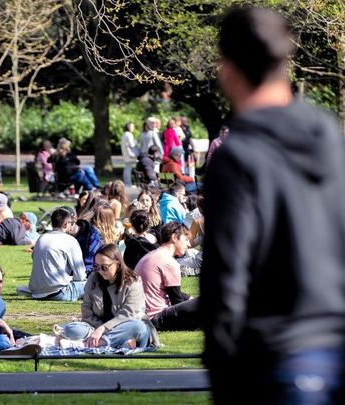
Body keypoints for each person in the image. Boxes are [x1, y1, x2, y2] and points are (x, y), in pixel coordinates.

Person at [201, 7, 345, 404]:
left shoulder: (238, 157)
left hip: (275, 358)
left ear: (228, 69)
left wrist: (224, 371)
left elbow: (225, 280)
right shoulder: (331, 140)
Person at [58, 244, 159, 350]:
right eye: (96, 266)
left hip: (127, 327)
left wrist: (103, 329)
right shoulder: (93, 279)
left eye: (104, 267)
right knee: (72, 329)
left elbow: (128, 315)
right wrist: (99, 328)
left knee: (138, 326)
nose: (100, 271)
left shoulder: (133, 281)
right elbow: (86, 311)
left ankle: (91, 344)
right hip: (97, 327)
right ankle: (119, 342)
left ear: (118, 264)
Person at [135, 222, 199, 331]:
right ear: (174, 237)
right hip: (156, 319)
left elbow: (168, 290)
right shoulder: (168, 262)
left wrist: (189, 298)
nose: (188, 245)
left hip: (142, 317)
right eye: (186, 239)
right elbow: (177, 301)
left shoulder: (152, 255)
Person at [29, 208, 87, 301]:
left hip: (37, 293)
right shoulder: (70, 240)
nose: (72, 226)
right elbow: (80, 275)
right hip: (59, 292)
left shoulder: (41, 238)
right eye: (71, 223)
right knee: (92, 284)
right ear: (65, 224)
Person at [121, 122, 138, 187]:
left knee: (127, 168)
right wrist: (136, 141)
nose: (133, 128)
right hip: (129, 154)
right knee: (128, 168)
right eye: (132, 126)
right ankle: (128, 183)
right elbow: (132, 144)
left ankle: (127, 182)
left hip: (126, 153)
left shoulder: (124, 134)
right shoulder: (129, 134)